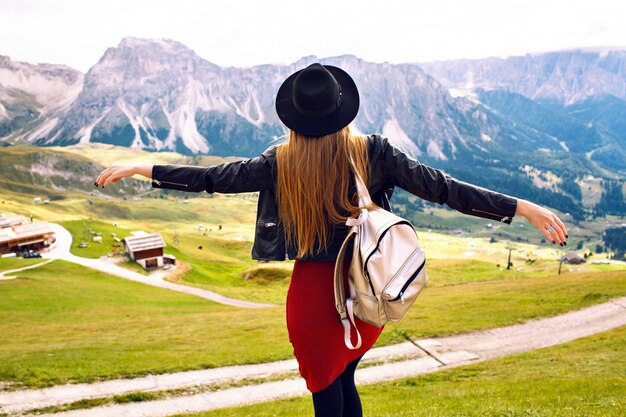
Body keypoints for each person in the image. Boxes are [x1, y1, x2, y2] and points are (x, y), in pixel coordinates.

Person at [95, 63, 568, 417]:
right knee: (345, 382)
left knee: (328, 394)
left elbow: (213, 178)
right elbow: (443, 188)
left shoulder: (280, 162)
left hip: (313, 298)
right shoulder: (374, 152)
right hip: (364, 293)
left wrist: (145, 168)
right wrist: (519, 207)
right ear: (342, 109)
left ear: (294, 118)